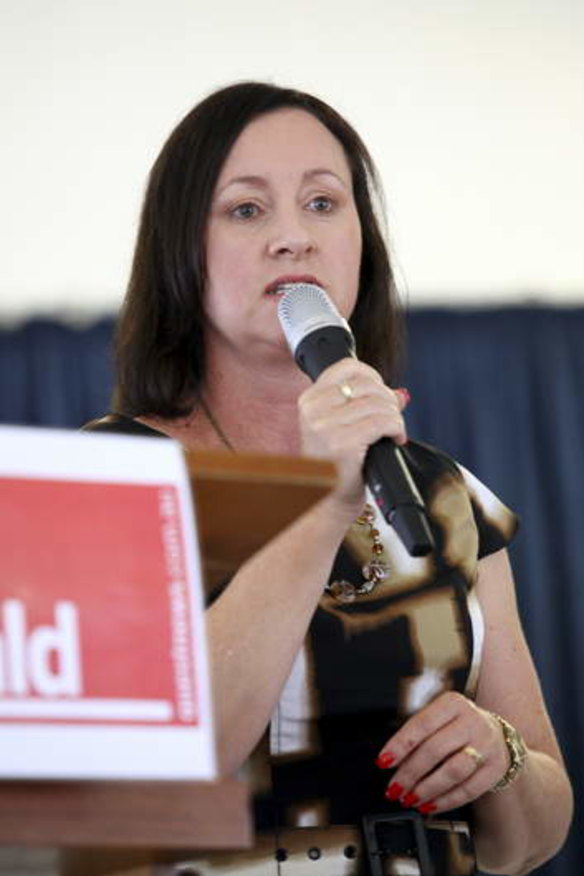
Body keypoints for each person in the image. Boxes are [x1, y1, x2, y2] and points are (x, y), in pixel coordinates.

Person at [86, 81, 573, 875]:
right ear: (182, 248)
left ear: (362, 241)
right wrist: (321, 501)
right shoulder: (112, 480)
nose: (293, 238)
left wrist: (501, 756)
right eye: (247, 210)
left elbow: (535, 839)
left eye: (323, 203)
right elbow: (153, 768)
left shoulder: (445, 495)